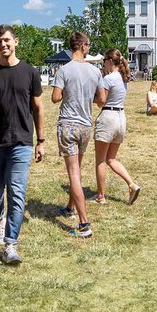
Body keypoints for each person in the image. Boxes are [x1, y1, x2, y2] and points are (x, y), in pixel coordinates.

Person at [0, 24, 45, 265]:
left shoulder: (30, 72)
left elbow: (37, 108)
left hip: (21, 143)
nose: (3, 44)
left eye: (6, 40)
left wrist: (41, 141)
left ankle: (10, 244)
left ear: (16, 41)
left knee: (17, 192)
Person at [51, 31, 103, 238]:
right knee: (77, 170)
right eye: (88, 45)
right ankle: (70, 208)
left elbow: (55, 98)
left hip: (68, 125)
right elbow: (101, 99)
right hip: (85, 126)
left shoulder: (63, 70)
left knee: (73, 173)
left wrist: (67, 92)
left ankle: (84, 224)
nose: (88, 48)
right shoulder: (95, 71)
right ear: (82, 46)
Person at [93, 48, 141, 205]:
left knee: (100, 160)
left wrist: (88, 97)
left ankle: (101, 196)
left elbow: (101, 101)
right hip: (121, 118)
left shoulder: (107, 79)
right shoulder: (123, 78)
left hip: (108, 118)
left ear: (108, 61)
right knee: (111, 159)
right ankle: (132, 184)